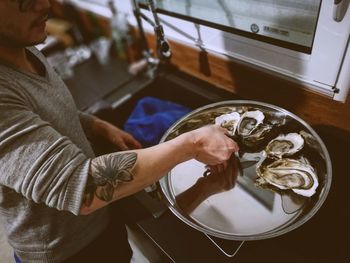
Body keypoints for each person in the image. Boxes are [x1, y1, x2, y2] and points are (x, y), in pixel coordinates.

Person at [0, 0, 239, 262]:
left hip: (100, 223)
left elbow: (45, 109)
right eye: (22, 2)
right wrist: (192, 143)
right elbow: (81, 187)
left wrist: (95, 125)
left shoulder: (24, 47)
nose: (44, 5)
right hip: (67, 252)